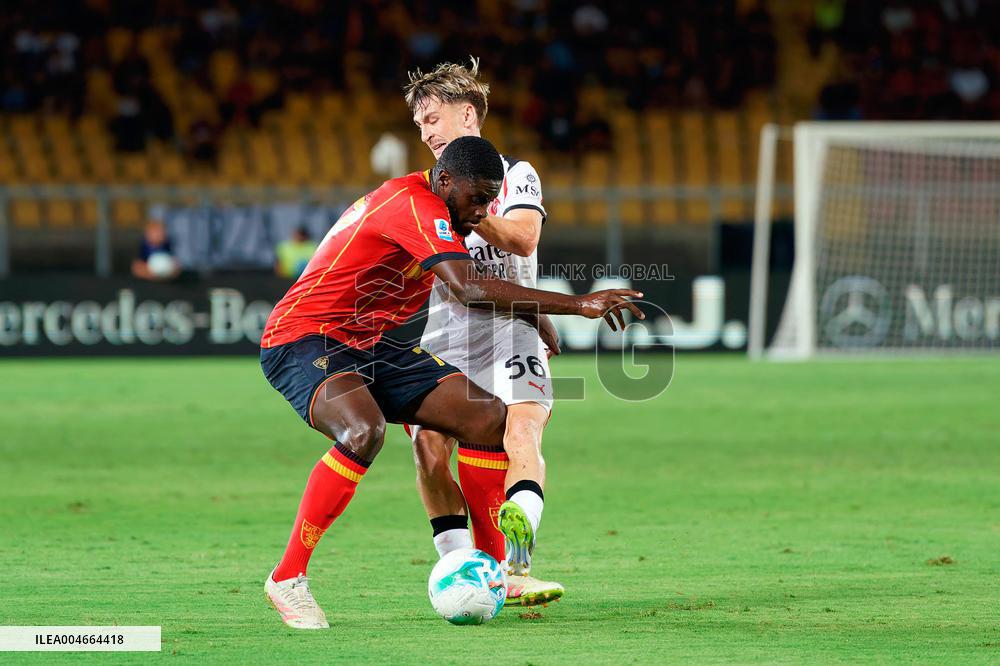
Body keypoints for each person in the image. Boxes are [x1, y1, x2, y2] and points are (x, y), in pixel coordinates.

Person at [260, 136, 642, 629]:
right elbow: (469, 286)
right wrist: (576, 304)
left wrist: (530, 311)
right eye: (477, 197)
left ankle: (494, 570)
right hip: (303, 337)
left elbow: (462, 282)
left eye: (490, 199)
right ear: (444, 180)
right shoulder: (413, 203)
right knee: (364, 430)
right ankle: (288, 576)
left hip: (371, 342)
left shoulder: (440, 212)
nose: (482, 210)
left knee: (486, 417)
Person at [403, 58, 567, 606]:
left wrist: (471, 213)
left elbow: (522, 240)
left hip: (511, 331)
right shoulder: (424, 192)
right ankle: (459, 571)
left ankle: (517, 566)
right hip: (445, 336)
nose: (426, 134)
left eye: (432, 119)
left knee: (522, 433)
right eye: (420, 125)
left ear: (466, 114)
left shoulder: (515, 174)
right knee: (428, 449)